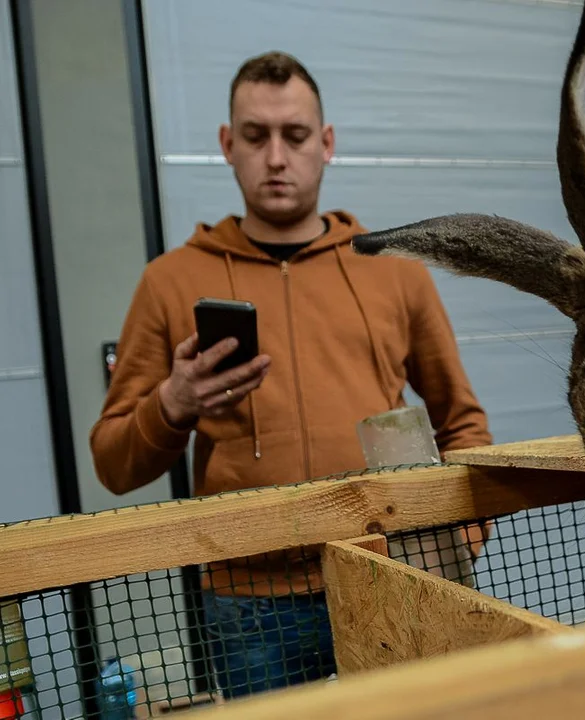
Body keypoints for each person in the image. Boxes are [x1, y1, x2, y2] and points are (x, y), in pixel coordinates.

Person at [89, 50, 492, 699]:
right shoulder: (168, 283)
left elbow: (462, 421)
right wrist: (172, 403)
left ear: (325, 144)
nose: (276, 158)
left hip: (386, 579)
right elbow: (112, 462)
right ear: (227, 144)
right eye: (255, 136)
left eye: (295, 136)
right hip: (248, 609)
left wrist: (460, 540)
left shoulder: (395, 271)